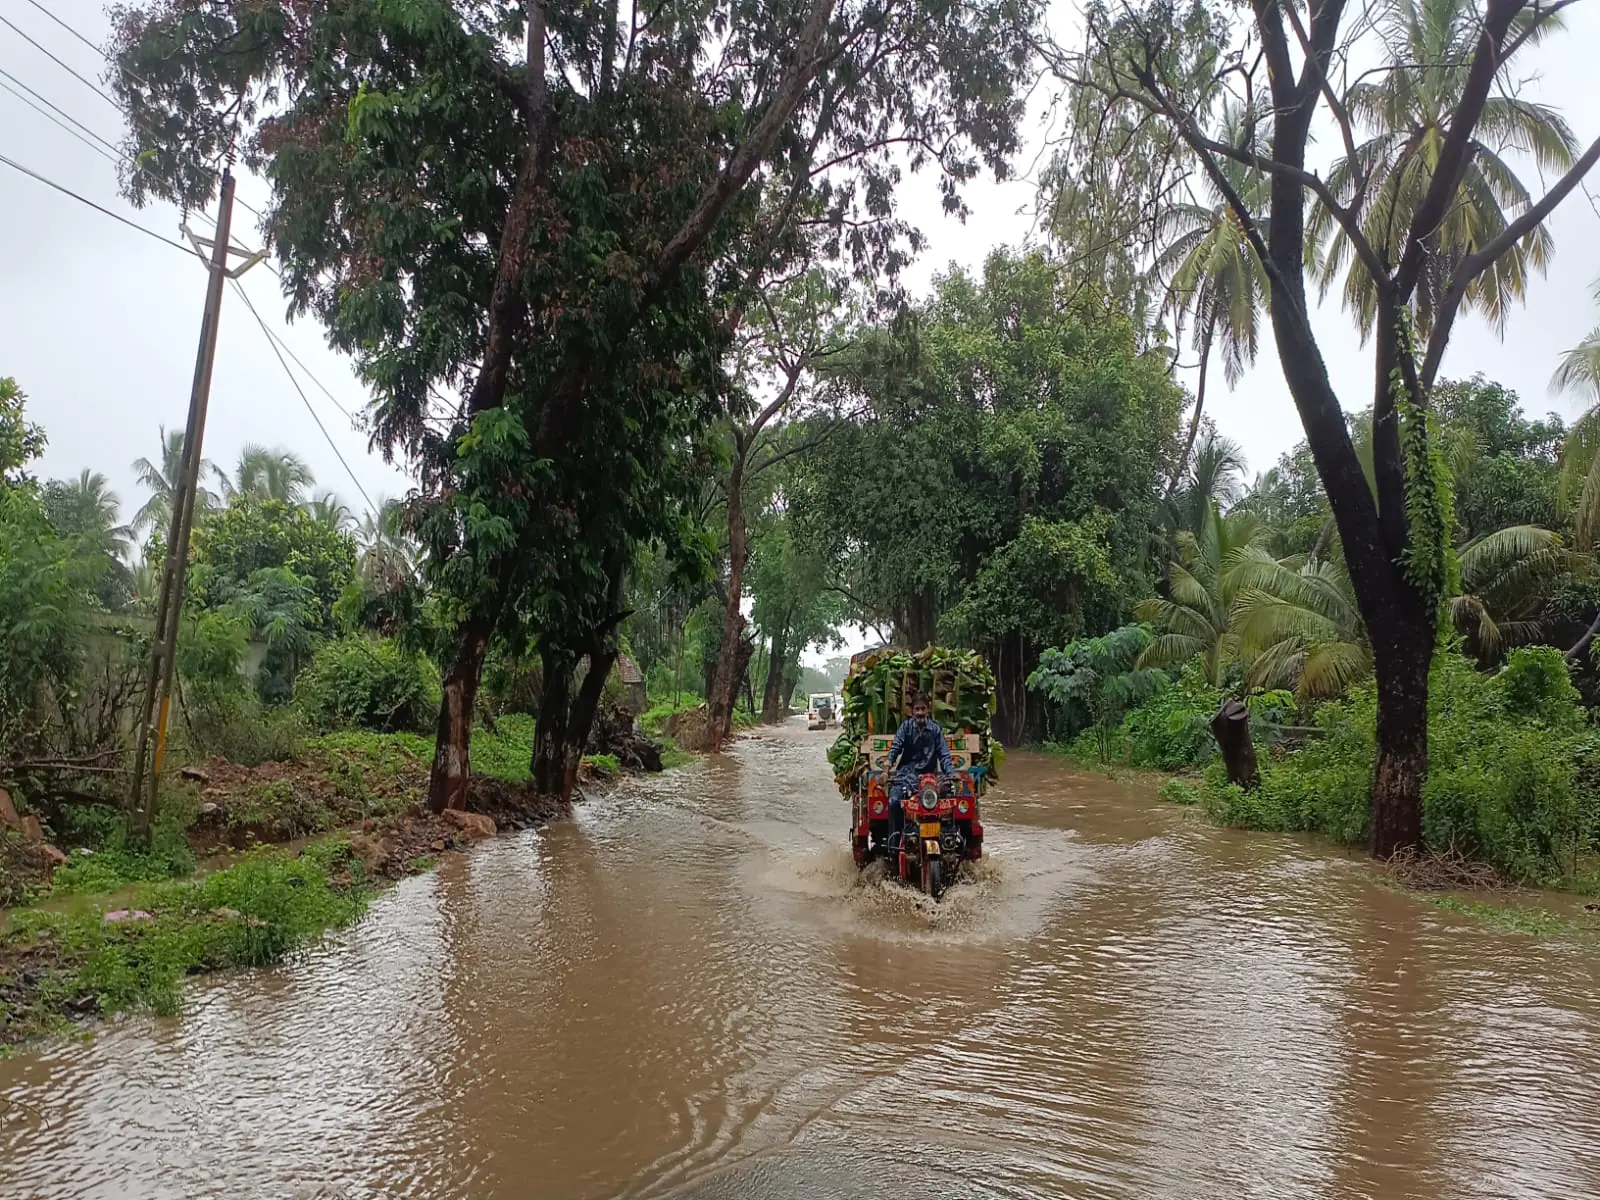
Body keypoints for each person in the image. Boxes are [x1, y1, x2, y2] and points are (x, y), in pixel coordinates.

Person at [886, 693, 954, 840]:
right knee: (893, 802)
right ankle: (895, 843)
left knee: (954, 802)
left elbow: (944, 754)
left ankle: (949, 840)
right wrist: (886, 770)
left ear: (928, 710)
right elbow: (895, 749)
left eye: (923, 709)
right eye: (917, 709)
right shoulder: (905, 728)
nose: (920, 713)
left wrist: (951, 773)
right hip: (906, 778)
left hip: (930, 780)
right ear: (912, 711)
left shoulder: (936, 730)